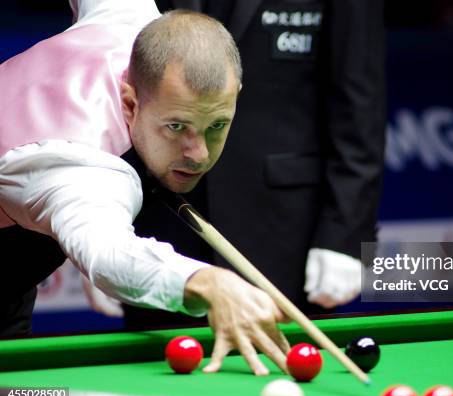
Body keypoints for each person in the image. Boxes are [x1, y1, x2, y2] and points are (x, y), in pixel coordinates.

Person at [0, 0, 290, 376]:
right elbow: (110, 255)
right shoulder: (81, 167)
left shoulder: (129, 17)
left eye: (216, 125)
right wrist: (207, 282)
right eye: (176, 127)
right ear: (130, 102)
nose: (198, 154)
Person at [110, 0, 386, 329]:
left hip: (282, 229)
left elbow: (359, 95)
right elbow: (105, 65)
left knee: (284, 363)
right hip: (156, 214)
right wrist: (106, 225)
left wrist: (344, 233)